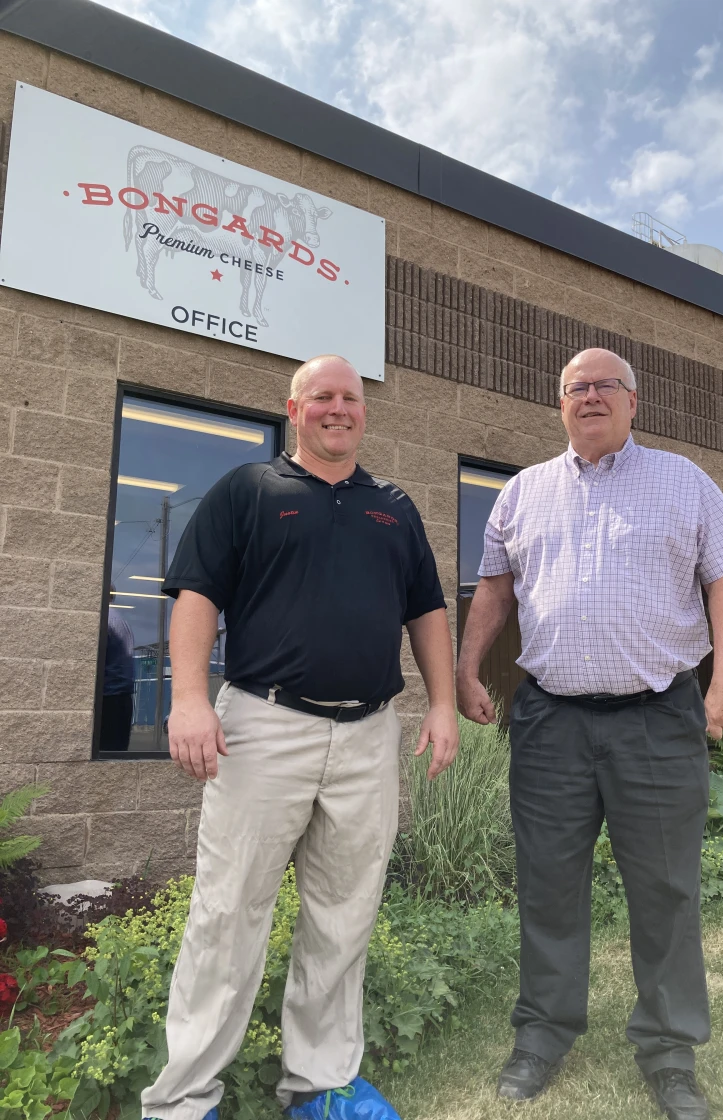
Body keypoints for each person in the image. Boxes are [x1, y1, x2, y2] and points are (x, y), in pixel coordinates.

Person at [141, 354, 459, 1120]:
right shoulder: (248, 491)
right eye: (323, 396)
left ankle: (319, 1086)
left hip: (368, 735)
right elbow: (195, 596)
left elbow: (426, 612)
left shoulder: (394, 504)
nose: (338, 407)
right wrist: (189, 700)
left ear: (364, 413)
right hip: (264, 726)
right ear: (294, 407)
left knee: (343, 913)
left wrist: (442, 705)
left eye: (350, 397)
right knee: (227, 912)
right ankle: (184, 1099)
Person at [456, 348, 723, 1120]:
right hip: (551, 719)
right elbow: (493, 590)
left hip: (657, 718)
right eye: (575, 388)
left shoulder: (684, 482)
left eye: (604, 386)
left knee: (665, 889)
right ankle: (543, 1035)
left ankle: (669, 1051)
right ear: (560, 405)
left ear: (633, 402)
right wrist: (464, 670)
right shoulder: (523, 492)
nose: (589, 396)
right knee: (548, 887)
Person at [100, 584, 135, 750]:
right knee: (117, 754)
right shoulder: (121, 620)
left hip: (109, 698)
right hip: (122, 697)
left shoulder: (104, 619)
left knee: (105, 754)